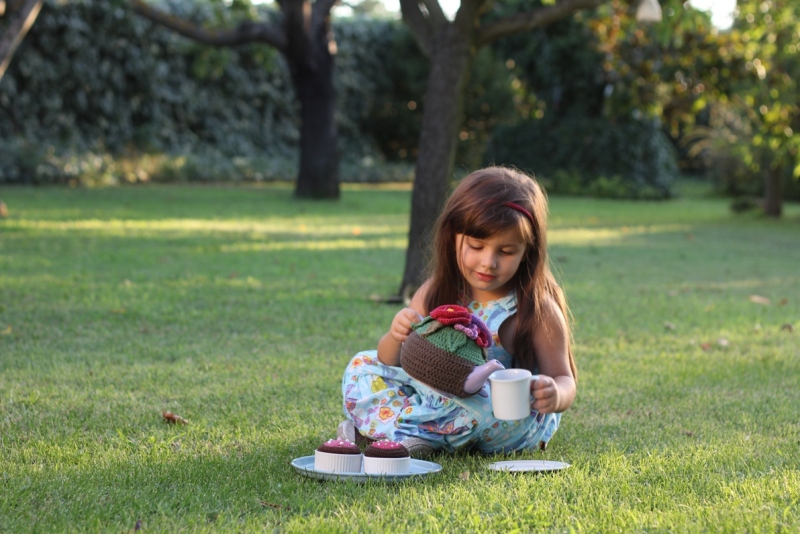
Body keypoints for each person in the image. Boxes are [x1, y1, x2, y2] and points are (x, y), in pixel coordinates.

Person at [339, 166, 576, 457]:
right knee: (362, 365)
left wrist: (554, 394)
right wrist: (395, 335)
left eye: (506, 251)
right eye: (476, 245)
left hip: (498, 418)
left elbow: (564, 379)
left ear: (528, 250)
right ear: (453, 237)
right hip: (433, 397)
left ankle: (389, 432)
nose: (488, 262)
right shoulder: (435, 292)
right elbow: (393, 361)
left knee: (488, 405)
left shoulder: (535, 309)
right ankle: (417, 435)